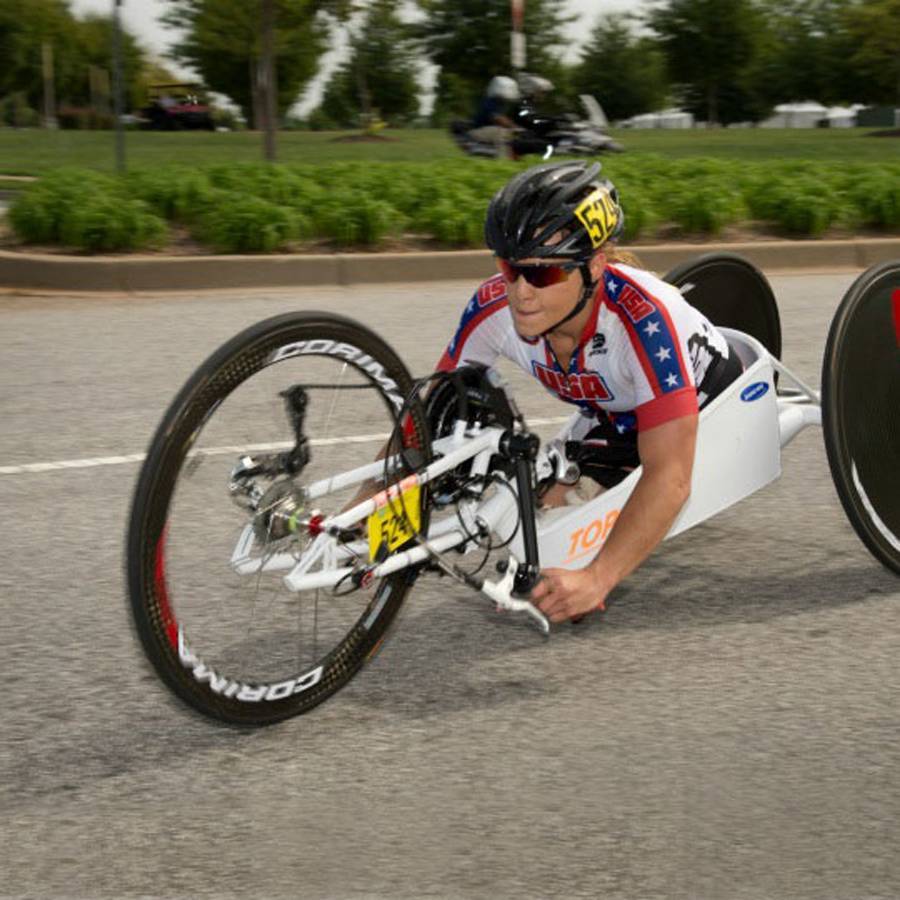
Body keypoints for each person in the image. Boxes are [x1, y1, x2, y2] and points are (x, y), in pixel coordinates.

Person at [436, 161, 743, 624]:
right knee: (520, 509)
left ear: (594, 266)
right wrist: (367, 503)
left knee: (558, 548)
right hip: (614, 413)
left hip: (706, 398)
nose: (520, 292)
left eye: (543, 275)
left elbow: (671, 478)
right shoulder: (493, 306)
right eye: (510, 267)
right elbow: (429, 411)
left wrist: (597, 579)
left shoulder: (642, 323)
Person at [469, 75, 520, 160]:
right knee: (502, 133)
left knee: (510, 135)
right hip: (477, 131)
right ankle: (504, 160)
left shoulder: (500, 103)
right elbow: (498, 118)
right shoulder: (490, 102)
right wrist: (515, 127)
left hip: (486, 131)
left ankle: (515, 159)